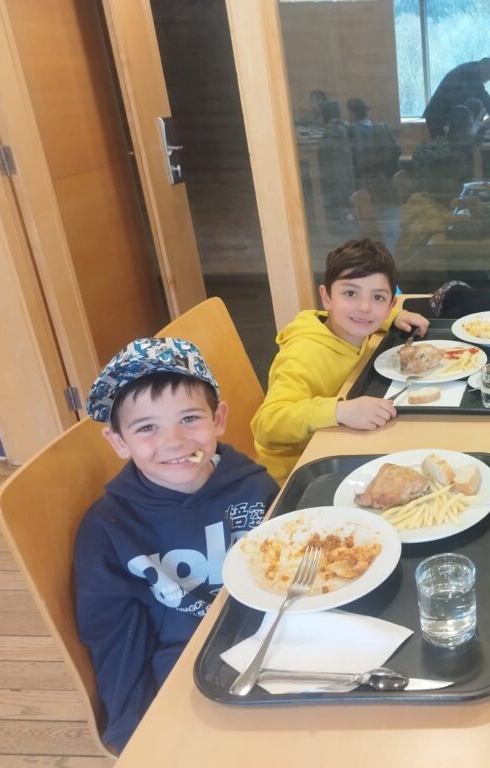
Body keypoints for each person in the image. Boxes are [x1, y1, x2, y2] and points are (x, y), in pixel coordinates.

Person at [74, 338, 279, 753]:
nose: (174, 441)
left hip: (276, 640)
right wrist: (130, 731)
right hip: (184, 667)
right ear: (118, 441)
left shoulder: (255, 488)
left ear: (218, 419)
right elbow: (113, 637)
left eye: (189, 418)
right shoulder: (108, 529)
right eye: (147, 427)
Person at [251, 239, 429, 485]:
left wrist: (395, 317)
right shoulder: (303, 354)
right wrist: (340, 411)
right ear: (326, 297)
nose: (364, 307)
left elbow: (367, 313)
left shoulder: (351, 326)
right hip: (297, 476)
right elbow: (267, 424)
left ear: (390, 305)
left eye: (378, 297)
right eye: (350, 293)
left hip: (339, 445)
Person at [423, 57, 490, 139]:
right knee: (441, 144)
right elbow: (482, 95)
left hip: (437, 114)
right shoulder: (472, 73)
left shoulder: (470, 70)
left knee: (444, 144)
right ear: (484, 68)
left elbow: (480, 95)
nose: (485, 82)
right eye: (487, 77)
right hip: (438, 115)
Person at [410, 104, 475, 200]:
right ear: (467, 126)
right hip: (433, 196)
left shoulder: (441, 144)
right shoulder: (455, 150)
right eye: (471, 125)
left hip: (422, 191)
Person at [345, 97, 401, 202]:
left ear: (352, 113)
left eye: (348, 112)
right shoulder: (380, 127)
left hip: (365, 178)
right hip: (385, 176)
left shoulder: (353, 130)